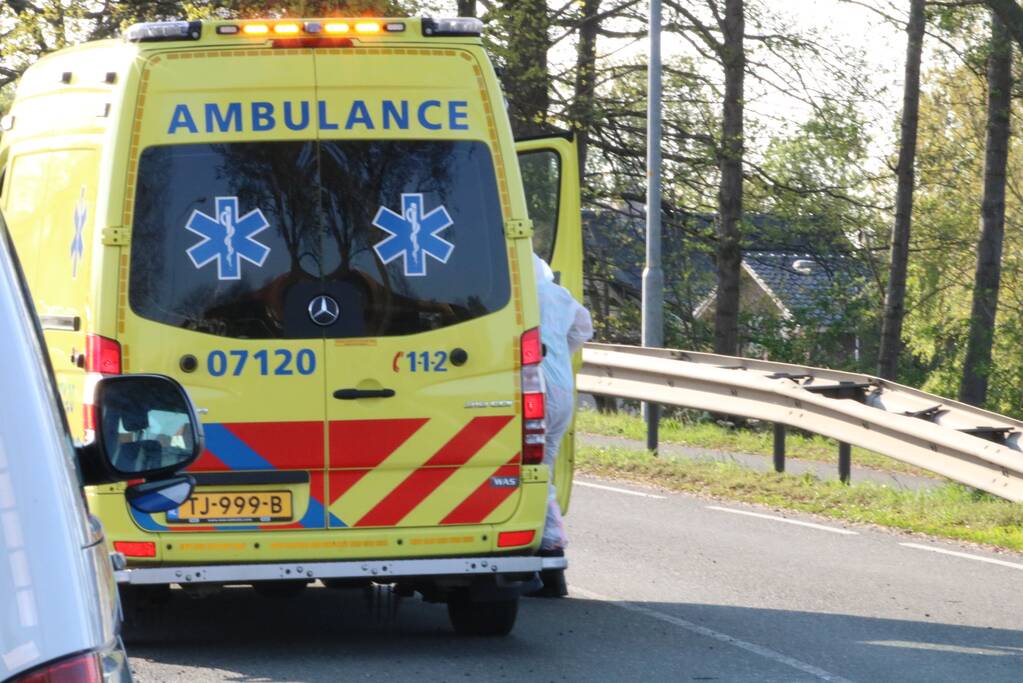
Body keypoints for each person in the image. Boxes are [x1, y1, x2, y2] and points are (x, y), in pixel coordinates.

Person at [532, 253, 593, 560]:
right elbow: (584, 329)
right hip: (561, 389)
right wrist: (559, 354)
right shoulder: (559, 295)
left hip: (532, 387)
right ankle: (548, 535)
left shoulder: (517, 297)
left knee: (529, 467)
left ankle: (548, 536)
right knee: (546, 463)